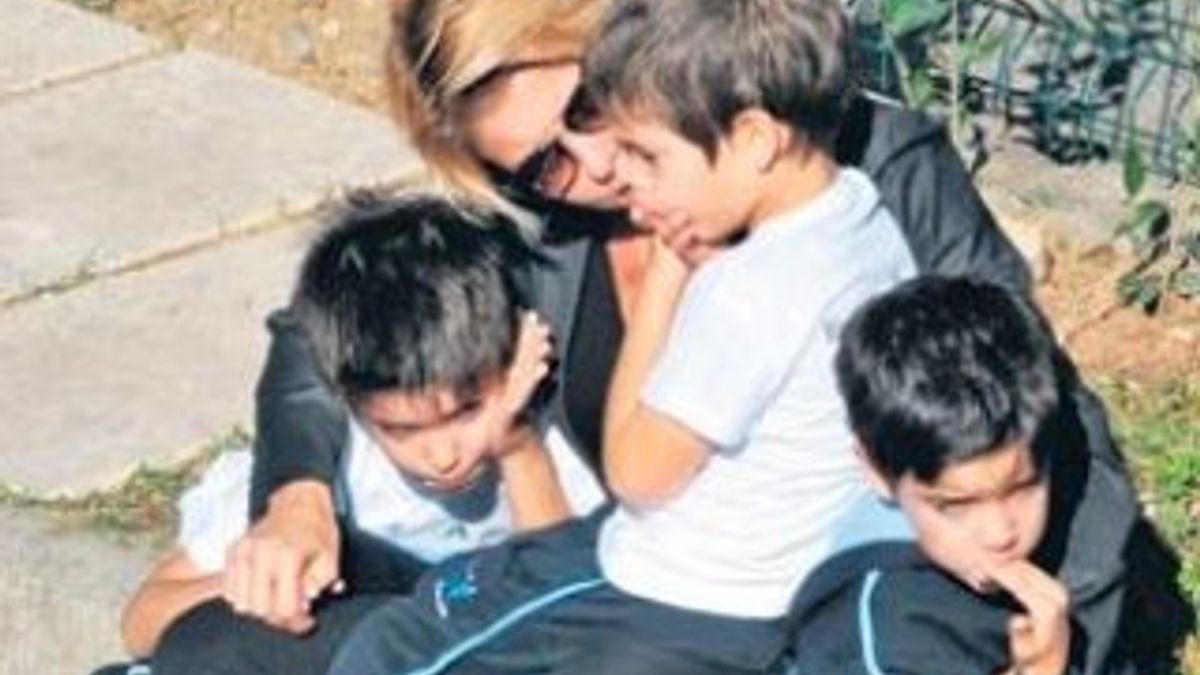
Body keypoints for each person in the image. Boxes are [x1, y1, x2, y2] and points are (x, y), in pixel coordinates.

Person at [153, 0, 1135, 672]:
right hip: (616, 586)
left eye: (588, 111)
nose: (592, 168)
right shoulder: (545, 224)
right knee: (216, 648)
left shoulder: (865, 171)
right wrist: (297, 498)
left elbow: (1047, 426)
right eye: (541, 164)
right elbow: (318, 329)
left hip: (804, 617)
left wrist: (1047, 640)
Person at [325, 0, 916, 672]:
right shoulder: (866, 219)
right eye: (547, 165)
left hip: (681, 586)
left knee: (398, 649)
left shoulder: (746, 289)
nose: (616, 171)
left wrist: (667, 274)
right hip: (784, 584)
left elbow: (635, 474)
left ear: (753, 138)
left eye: (640, 147)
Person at [134, 193, 604, 673]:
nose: (443, 454)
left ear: (517, 360)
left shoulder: (552, 446)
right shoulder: (337, 470)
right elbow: (142, 621)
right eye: (402, 429)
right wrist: (271, 584)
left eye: (467, 412)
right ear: (350, 404)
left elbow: (559, 606)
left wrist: (516, 445)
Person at [788, 275, 1136, 675]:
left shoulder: (1057, 446)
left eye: (1022, 488)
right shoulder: (882, 640)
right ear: (877, 471)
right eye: (955, 506)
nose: (1000, 534)